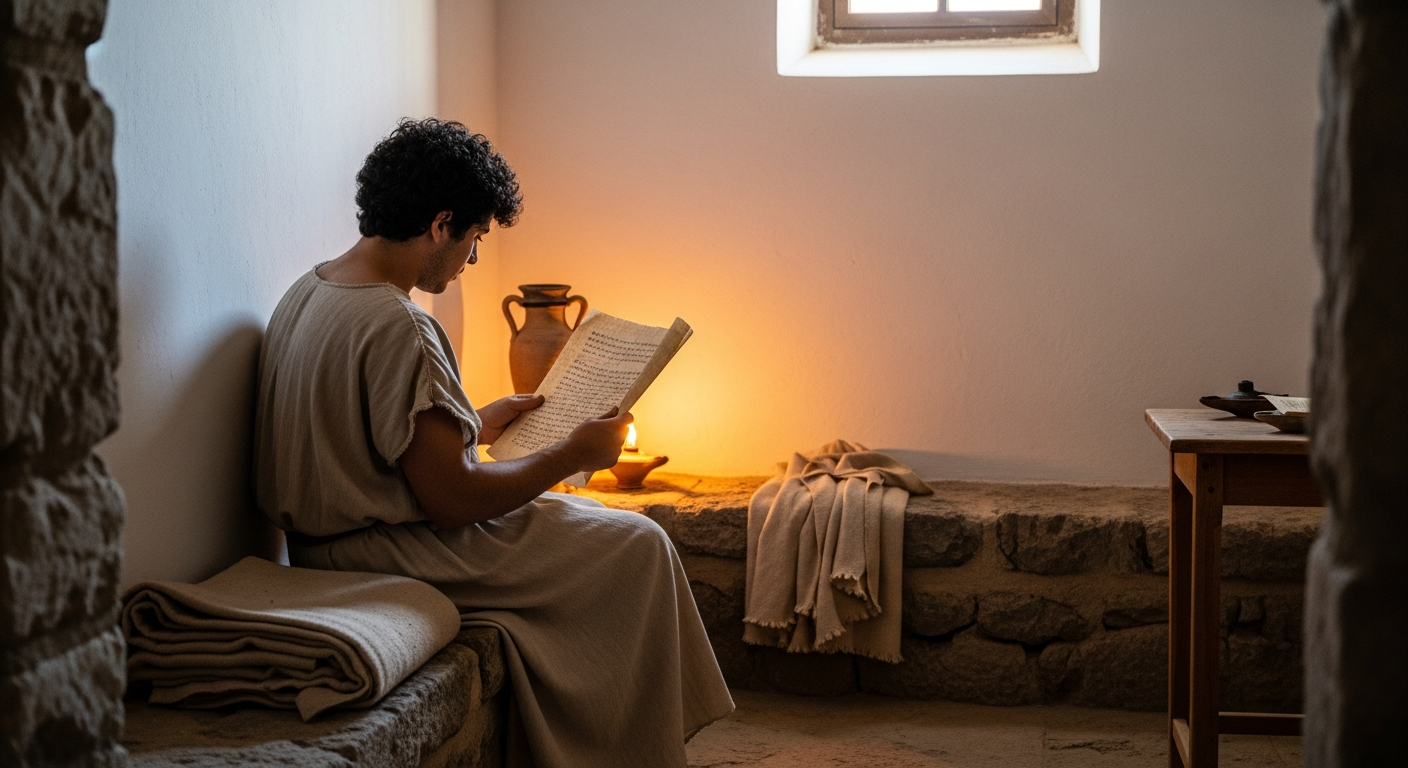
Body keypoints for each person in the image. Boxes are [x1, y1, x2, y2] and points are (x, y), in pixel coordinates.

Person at [253, 118, 733, 767]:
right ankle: (626, 747)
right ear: (441, 223)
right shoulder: (402, 325)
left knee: (594, 524)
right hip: (381, 551)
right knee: (638, 543)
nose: (474, 258)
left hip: (318, 545)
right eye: (475, 238)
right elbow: (452, 501)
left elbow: (349, 437)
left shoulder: (309, 290)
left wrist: (471, 421)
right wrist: (572, 455)